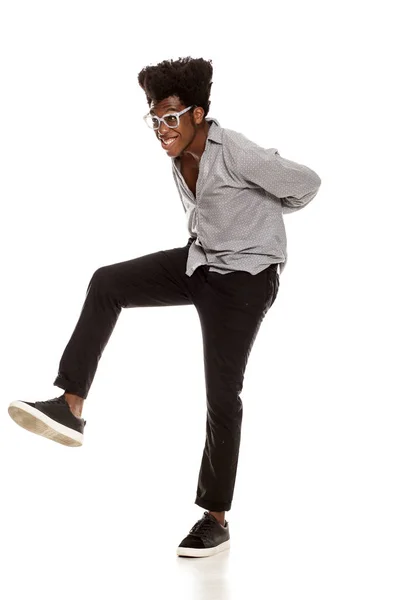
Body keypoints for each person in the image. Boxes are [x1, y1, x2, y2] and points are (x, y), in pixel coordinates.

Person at [8, 56, 321, 558]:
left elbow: (306, 183)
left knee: (222, 395)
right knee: (107, 282)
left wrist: (263, 216)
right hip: (201, 261)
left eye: (171, 117)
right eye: (154, 119)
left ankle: (214, 519)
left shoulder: (234, 150)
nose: (161, 129)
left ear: (198, 114)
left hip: (243, 281)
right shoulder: (179, 156)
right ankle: (70, 406)